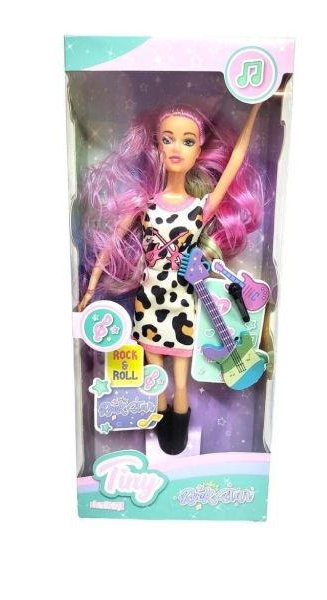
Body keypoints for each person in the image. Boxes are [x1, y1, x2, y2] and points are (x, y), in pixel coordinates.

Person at [77, 103, 264, 454]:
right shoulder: (145, 206)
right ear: (158, 145)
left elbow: (235, 162)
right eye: (168, 139)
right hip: (149, 304)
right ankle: (158, 429)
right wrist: (89, 290)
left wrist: (254, 107)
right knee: (155, 378)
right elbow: (110, 245)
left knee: (180, 380)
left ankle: (177, 438)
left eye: (187, 141)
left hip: (182, 304)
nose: (177, 148)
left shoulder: (199, 208)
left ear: (199, 149)